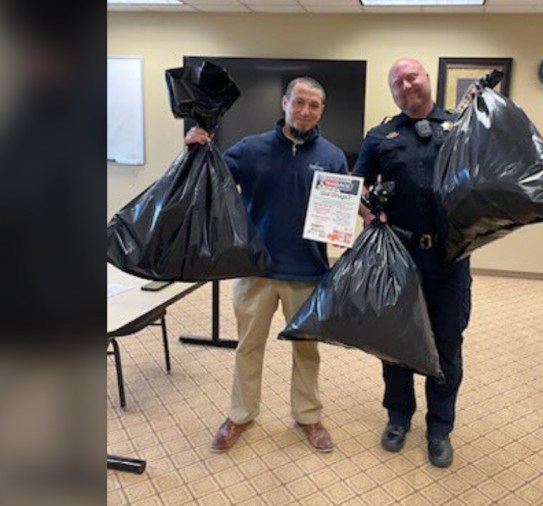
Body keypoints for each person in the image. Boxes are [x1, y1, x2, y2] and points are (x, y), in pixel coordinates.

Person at [184, 77, 347, 453]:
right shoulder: (250, 149)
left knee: (307, 350)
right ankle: (240, 414)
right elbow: (210, 179)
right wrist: (196, 149)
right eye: (299, 102)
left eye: (315, 106)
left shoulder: (334, 156)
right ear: (285, 103)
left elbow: (339, 213)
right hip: (255, 268)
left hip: (308, 272)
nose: (306, 111)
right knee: (248, 346)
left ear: (321, 111)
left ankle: (308, 416)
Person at [352, 58, 472, 468]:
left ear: (426, 80)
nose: (405, 86)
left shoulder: (462, 126)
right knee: (397, 340)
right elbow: (356, 187)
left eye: (411, 77)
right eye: (396, 82)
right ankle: (399, 417)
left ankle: (439, 427)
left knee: (447, 342)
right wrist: (368, 214)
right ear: (392, 92)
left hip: (450, 258)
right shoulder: (380, 136)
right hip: (398, 255)